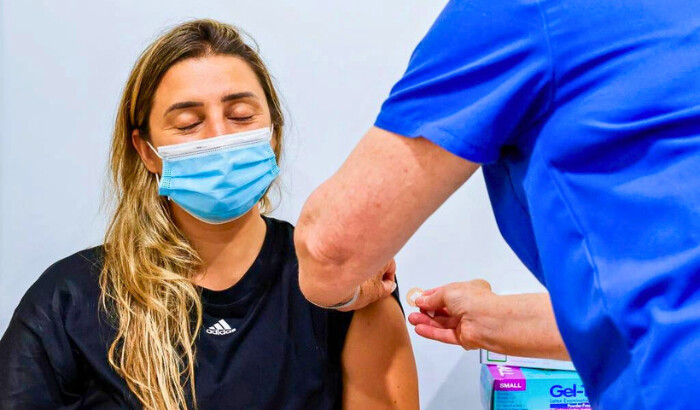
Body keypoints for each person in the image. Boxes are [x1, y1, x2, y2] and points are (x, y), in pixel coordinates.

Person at [294, 0, 700, 409]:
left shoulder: (518, 11)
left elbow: (331, 249)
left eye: (241, 115)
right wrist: (490, 318)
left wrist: (342, 292)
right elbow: (661, 287)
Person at [0, 19, 418, 410]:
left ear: (272, 133)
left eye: (240, 116)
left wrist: (365, 296)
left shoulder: (341, 283)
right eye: (188, 123)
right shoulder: (71, 300)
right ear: (147, 151)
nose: (219, 137)